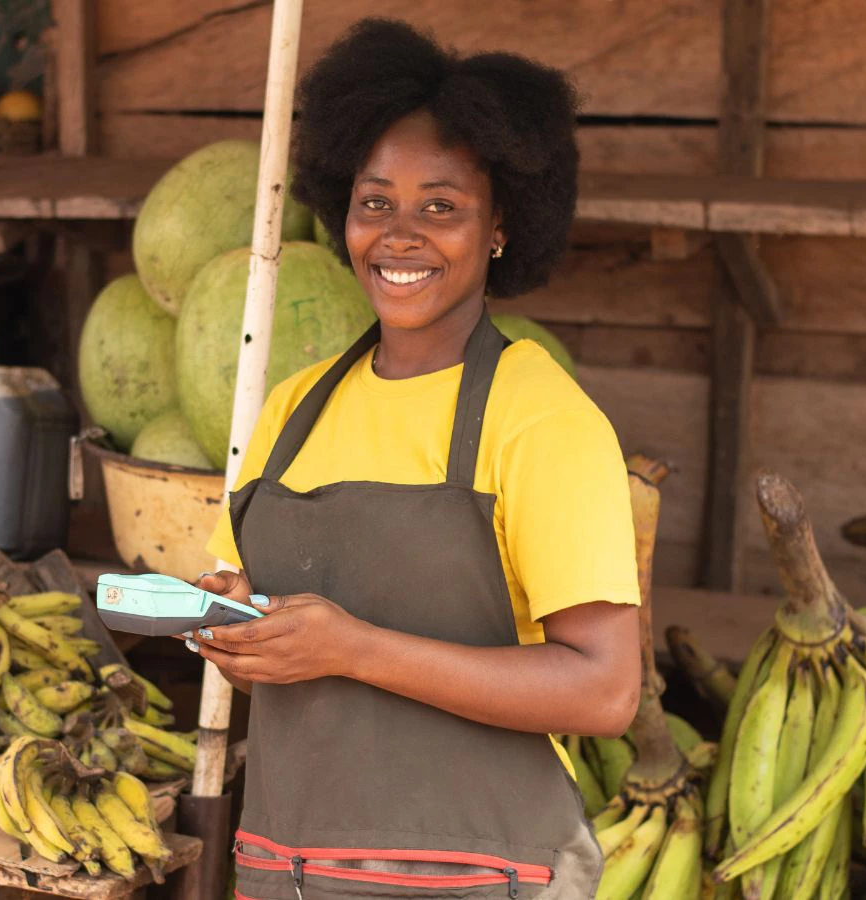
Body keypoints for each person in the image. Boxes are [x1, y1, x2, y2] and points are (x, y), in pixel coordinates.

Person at [191, 18, 643, 900]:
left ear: (501, 225)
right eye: (375, 202)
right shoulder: (291, 411)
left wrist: (353, 649)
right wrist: (228, 618)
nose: (400, 236)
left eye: (441, 206)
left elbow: (603, 691)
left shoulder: (543, 417)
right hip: (284, 868)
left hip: (482, 877)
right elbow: (247, 596)